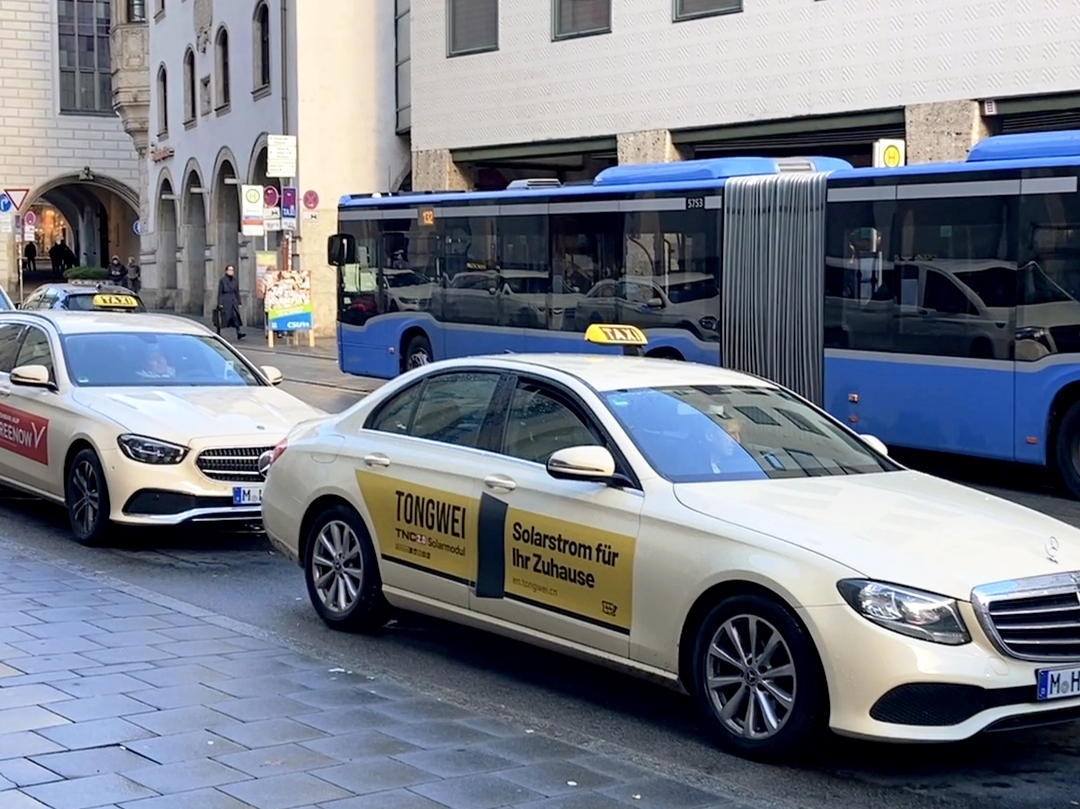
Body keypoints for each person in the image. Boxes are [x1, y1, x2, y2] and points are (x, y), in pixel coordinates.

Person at [216, 264, 245, 339]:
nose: (231, 272)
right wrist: (220, 303)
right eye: (229, 270)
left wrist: (239, 301)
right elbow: (220, 292)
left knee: (235, 316)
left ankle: (239, 332)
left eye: (232, 270)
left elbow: (237, 291)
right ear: (226, 271)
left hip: (233, 300)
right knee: (224, 317)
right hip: (225, 300)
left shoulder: (235, 281)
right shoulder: (223, 280)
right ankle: (218, 331)